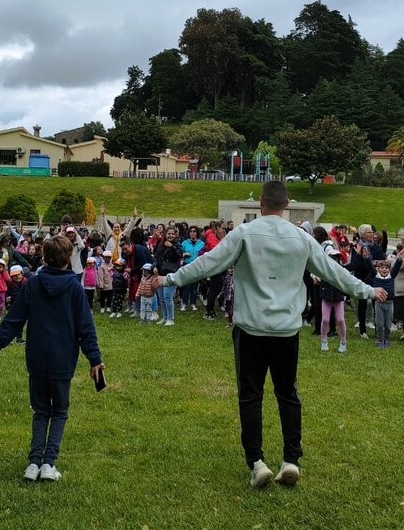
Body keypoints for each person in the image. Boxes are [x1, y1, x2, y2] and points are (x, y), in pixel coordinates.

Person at [139, 180, 387, 488]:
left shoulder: (244, 234)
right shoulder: (301, 237)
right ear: (287, 204)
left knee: (251, 396)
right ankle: (291, 459)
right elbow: (332, 271)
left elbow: (207, 264)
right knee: (288, 394)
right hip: (286, 330)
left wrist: (168, 280)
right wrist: (366, 290)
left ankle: (257, 463)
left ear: (261, 203)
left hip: (251, 329)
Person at [0, 234, 104, 483]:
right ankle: (47, 463)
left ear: (44, 257)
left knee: (40, 411)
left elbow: (13, 319)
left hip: (37, 358)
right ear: (69, 259)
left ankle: (35, 463)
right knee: (58, 411)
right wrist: (94, 359)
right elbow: (85, 328)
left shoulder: (33, 285)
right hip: (61, 361)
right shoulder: (73, 288)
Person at [153, 226, 182, 326]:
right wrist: (154, 267)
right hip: (160, 274)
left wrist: (171, 247)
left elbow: (178, 256)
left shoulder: (177, 245)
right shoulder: (160, 245)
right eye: (168, 233)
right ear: (165, 234)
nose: (170, 235)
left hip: (171, 274)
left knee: (168, 297)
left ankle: (170, 318)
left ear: (175, 235)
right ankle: (164, 317)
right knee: (161, 298)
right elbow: (156, 257)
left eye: (172, 234)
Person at [179, 226, 205, 311]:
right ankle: (184, 303)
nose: (192, 233)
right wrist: (184, 254)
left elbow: (204, 255)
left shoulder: (201, 243)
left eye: (194, 231)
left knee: (194, 286)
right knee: (186, 285)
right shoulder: (185, 243)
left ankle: (193, 303)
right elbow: (179, 253)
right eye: (190, 231)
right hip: (187, 265)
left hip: (196, 266)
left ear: (197, 232)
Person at [372, 258, 395, 348]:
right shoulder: (376, 276)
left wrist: (400, 259)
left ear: (389, 269)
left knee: (388, 323)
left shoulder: (391, 276)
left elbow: (397, 267)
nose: (384, 269)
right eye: (382, 267)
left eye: (386, 268)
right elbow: (370, 267)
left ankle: (387, 339)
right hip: (379, 303)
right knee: (379, 323)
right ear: (378, 269)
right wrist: (366, 258)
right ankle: (380, 339)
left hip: (389, 303)